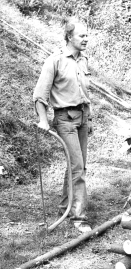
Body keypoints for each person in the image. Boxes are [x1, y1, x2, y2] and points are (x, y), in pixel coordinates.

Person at [33, 17, 93, 233]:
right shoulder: (54, 61)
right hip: (65, 120)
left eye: (87, 35)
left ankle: (65, 207)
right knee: (77, 167)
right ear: (69, 37)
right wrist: (42, 119)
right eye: (82, 35)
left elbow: (85, 92)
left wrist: (89, 116)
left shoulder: (83, 60)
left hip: (83, 119)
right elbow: (40, 95)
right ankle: (79, 217)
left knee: (78, 166)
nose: (86, 39)